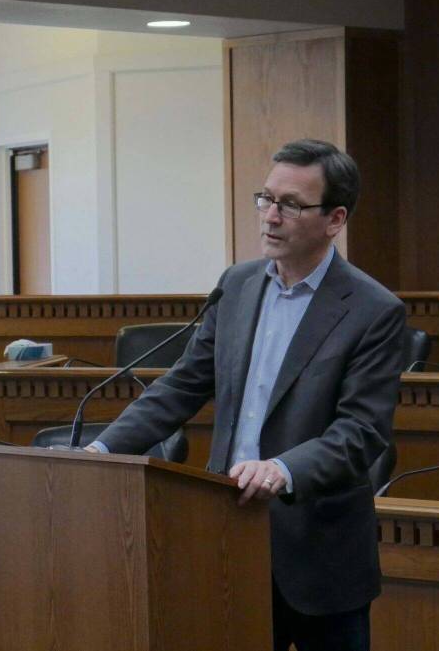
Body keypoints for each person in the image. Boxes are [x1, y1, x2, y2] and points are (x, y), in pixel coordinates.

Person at [89, 139, 405, 651]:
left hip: (318, 557)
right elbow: (182, 385)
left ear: (335, 219)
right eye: (265, 199)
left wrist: (283, 469)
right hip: (227, 535)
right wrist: (102, 450)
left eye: (290, 205)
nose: (270, 216)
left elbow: (361, 433)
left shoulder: (373, 310)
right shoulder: (236, 286)